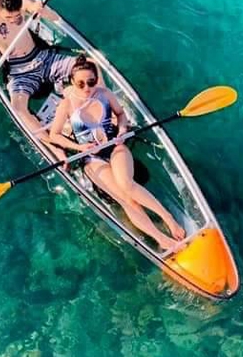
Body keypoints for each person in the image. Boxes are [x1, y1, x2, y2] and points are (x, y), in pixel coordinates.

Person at [48, 55, 187, 252]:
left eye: (91, 82)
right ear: (72, 82)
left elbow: (121, 114)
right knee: (125, 199)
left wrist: (121, 130)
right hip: (91, 157)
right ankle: (161, 239)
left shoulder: (104, 94)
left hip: (115, 145)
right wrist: (80, 148)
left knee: (126, 184)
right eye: (80, 83)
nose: (87, 87)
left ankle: (168, 218)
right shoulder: (67, 104)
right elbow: (54, 135)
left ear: (96, 80)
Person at [0, 0, 75, 151]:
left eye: (17, 15)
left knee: (89, 64)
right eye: (9, 17)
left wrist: (42, 10)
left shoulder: (22, 3)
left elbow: (55, 18)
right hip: (19, 69)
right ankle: (53, 145)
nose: (14, 20)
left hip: (41, 57)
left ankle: (103, 105)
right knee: (18, 108)